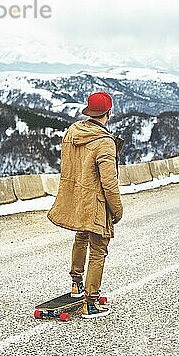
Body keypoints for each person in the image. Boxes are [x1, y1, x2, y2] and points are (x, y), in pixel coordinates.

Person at [47, 91, 124, 319]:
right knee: (99, 250)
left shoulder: (73, 132)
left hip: (78, 197)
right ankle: (90, 303)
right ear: (108, 113)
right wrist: (117, 210)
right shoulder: (104, 142)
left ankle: (76, 285)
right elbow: (109, 182)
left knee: (81, 238)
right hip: (96, 202)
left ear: (89, 111)